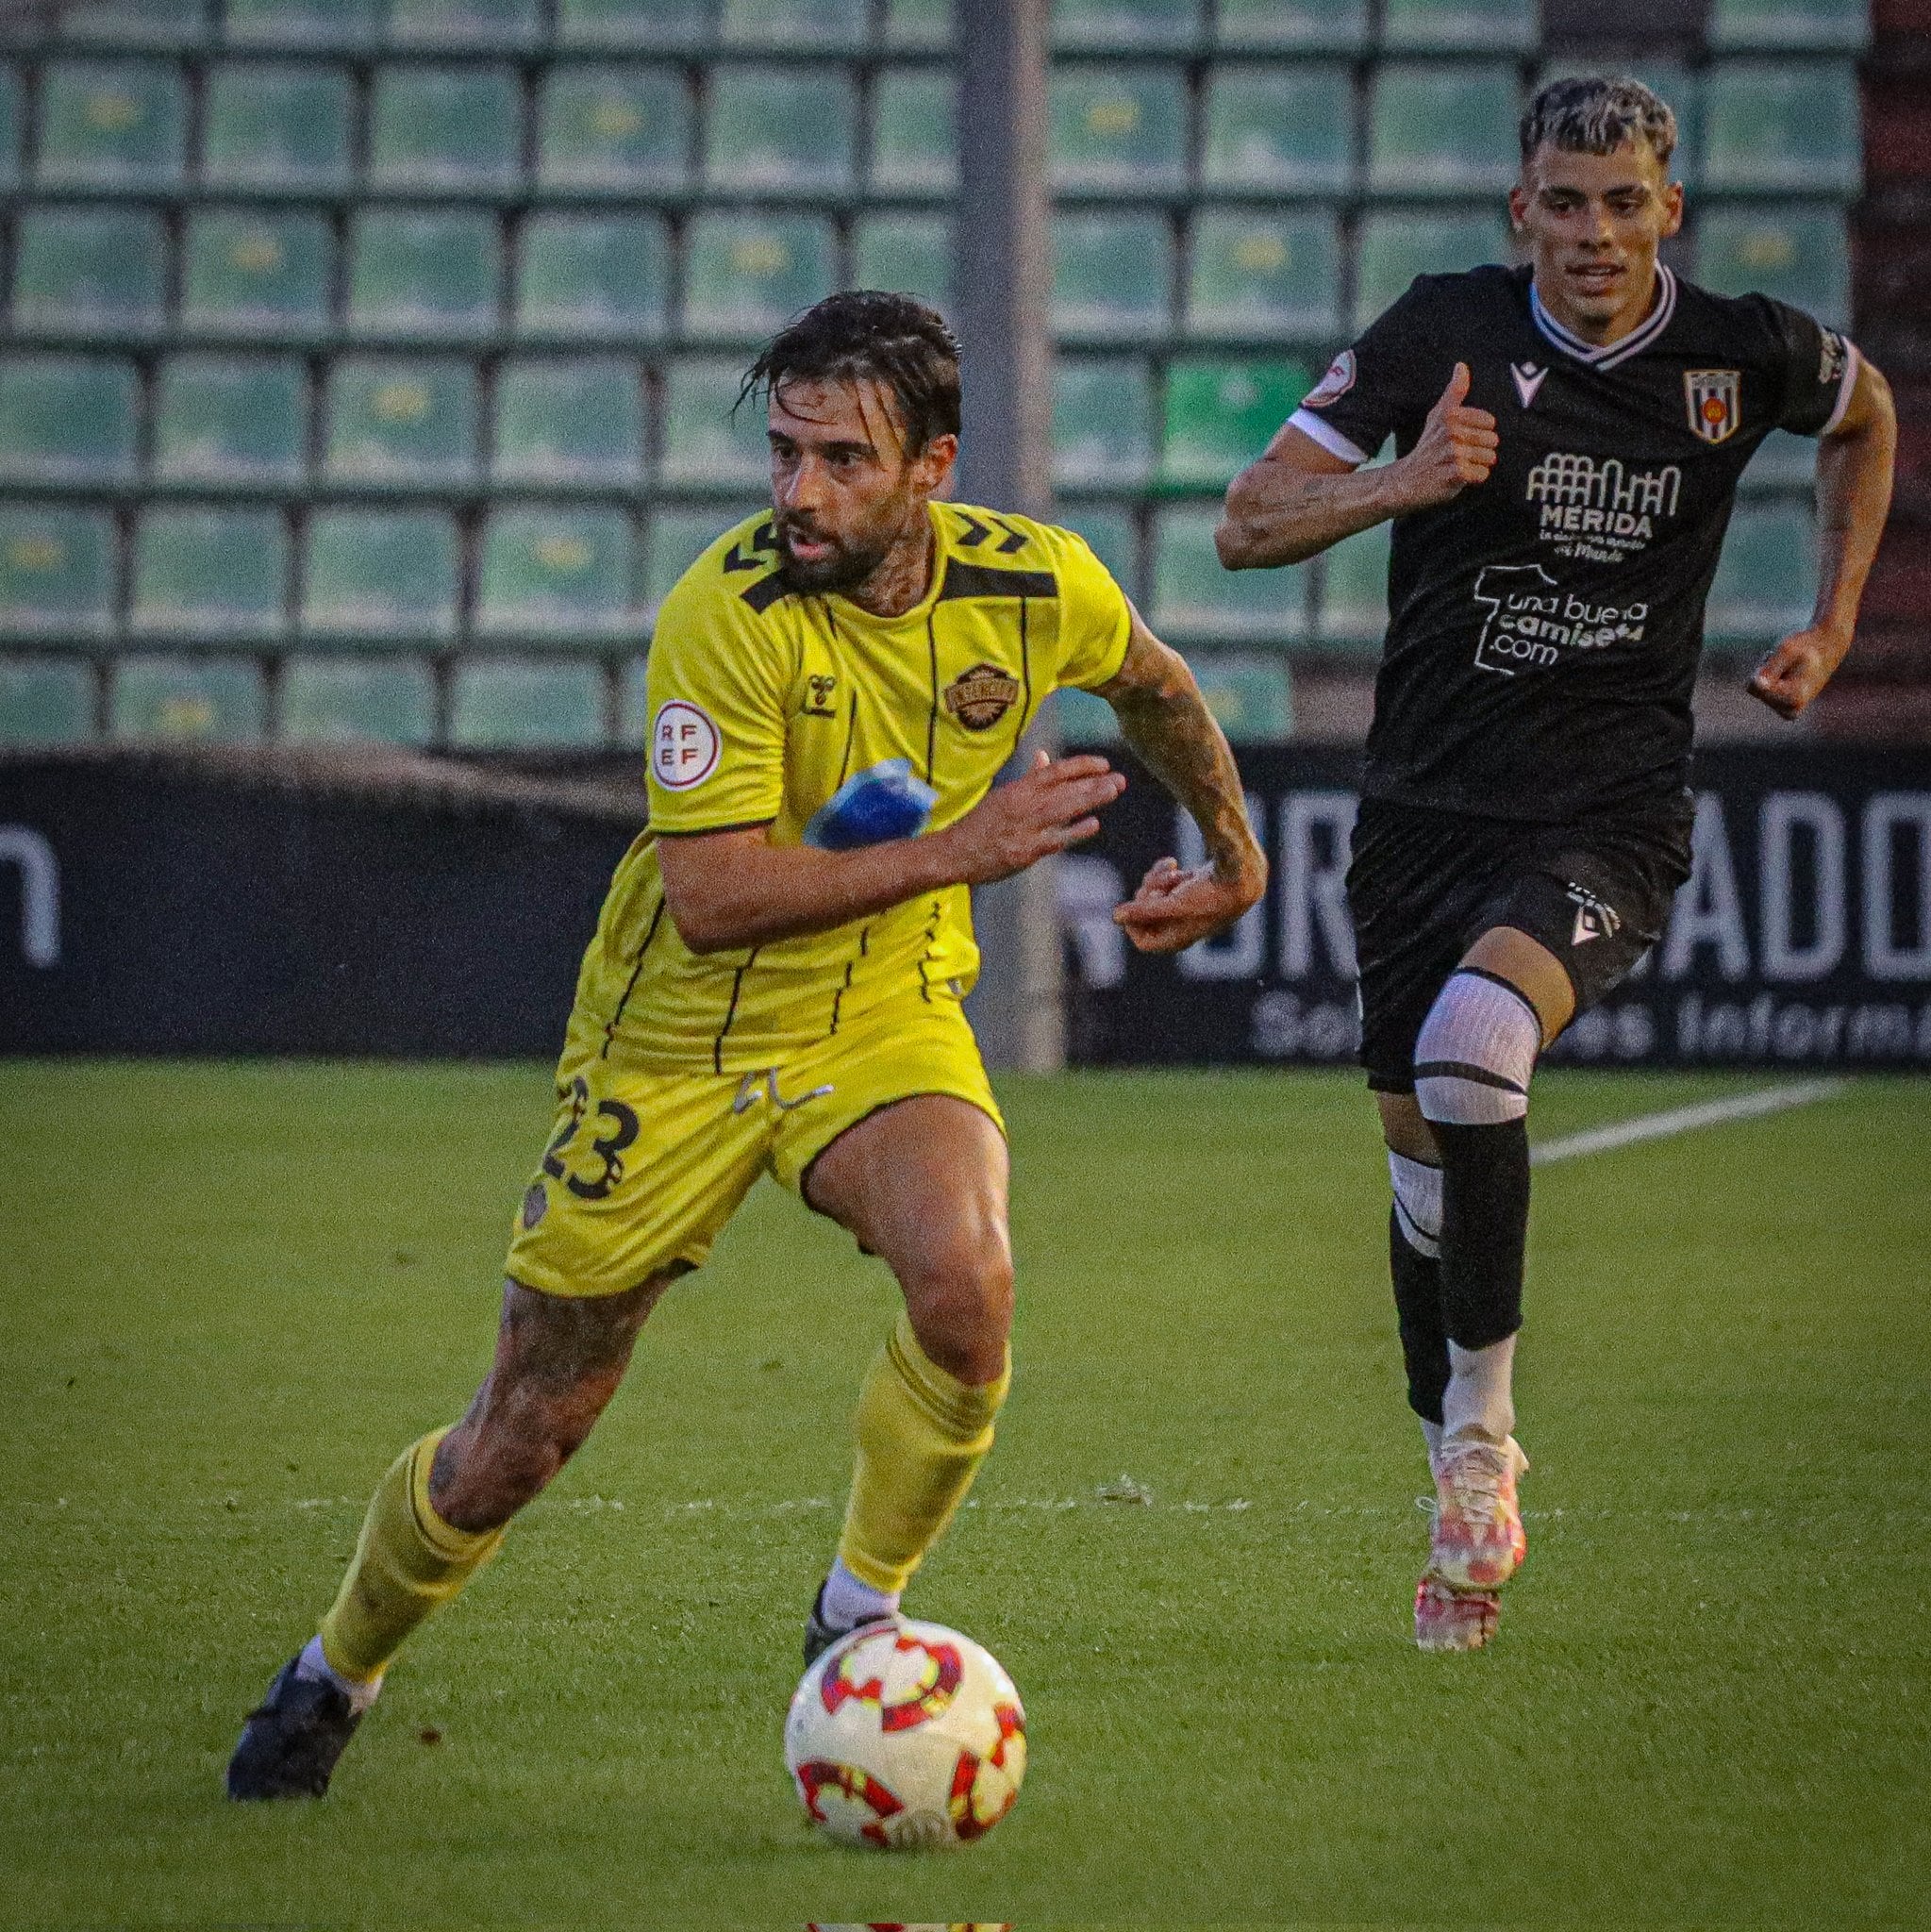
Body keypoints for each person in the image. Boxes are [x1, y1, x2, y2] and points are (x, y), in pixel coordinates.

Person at [228, 291, 1267, 1798]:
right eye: (784, 453)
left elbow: (1157, 685)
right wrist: (966, 848)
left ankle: (855, 1623)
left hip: (883, 1004)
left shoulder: (1033, 587)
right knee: (523, 1432)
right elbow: (711, 901)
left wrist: (1234, 856)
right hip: (678, 1039)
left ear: (934, 469)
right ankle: (335, 1670)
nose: (797, 492)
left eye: (841, 459)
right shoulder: (726, 615)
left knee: (968, 1285)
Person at [1216, 77, 1894, 1652]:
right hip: (1421, 813)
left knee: (1474, 1051)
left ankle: (1479, 1451)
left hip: (1609, 811)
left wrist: (1838, 621)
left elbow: (1868, 420)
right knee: (1420, 1148)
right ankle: (1447, 1443)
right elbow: (1248, 525)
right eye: (1566, 202)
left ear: (1673, 209)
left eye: (1625, 201)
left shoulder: (1741, 353)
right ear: (1520, 208)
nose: (1595, 233)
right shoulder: (1441, 331)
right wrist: (1402, 479)